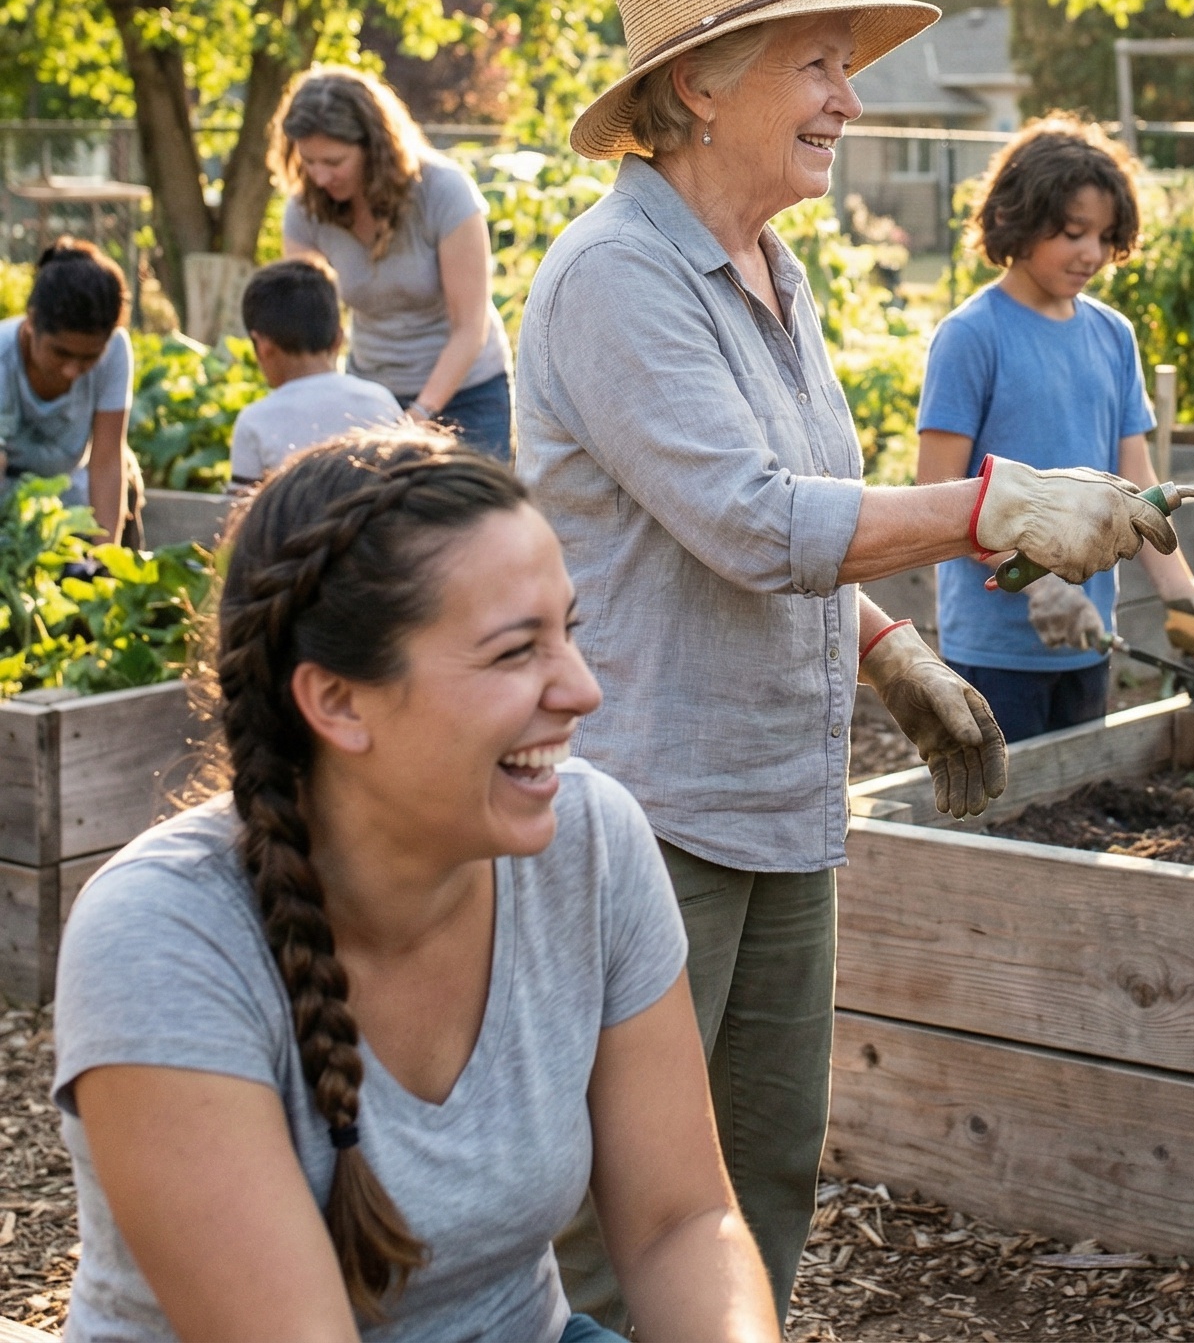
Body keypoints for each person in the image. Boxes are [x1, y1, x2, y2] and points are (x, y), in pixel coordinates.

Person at [519, 0, 1177, 1326]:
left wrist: (889, 648)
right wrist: (996, 506)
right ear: (700, 85)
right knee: (618, 1206)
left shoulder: (773, 272)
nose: (848, 98)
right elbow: (752, 521)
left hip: (776, 794)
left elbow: (798, 504)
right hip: (652, 807)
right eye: (816, 64)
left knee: (758, 1174)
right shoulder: (616, 277)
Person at [53, 428, 779, 1343]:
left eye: (569, 631)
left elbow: (682, 1222)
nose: (583, 689)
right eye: (515, 652)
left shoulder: (591, 840)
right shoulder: (161, 940)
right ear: (338, 702)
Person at [916, 116, 1194, 740]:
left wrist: (1182, 589)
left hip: (1089, 632)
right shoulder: (971, 336)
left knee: (1080, 786)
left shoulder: (1113, 336)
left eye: (1105, 236)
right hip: (993, 648)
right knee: (1004, 797)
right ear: (1017, 219)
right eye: (1072, 232)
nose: (1092, 253)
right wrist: (1036, 586)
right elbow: (935, 496)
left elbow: (1138, 488)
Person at [274, 65, 513, 460]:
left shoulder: (444, 191)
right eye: (309, 161)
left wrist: (417, 417)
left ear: (374, 148)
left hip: (468, 393)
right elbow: (310, 324)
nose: (320, 176)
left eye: (334, 161)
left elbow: (470, 327)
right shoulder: (304, 210)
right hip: (372, 394)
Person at [0, 238, 139, 540]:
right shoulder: (3, 356)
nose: (72, 371)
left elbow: (107, 459)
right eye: (60, 353)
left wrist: (105, 557)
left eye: (89, 357)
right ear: (31, 321)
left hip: (74, 497)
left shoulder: (115, 350)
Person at [228, 258, 404, 488]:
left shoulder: (254, 421)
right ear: (339, 338)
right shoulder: (379, 402)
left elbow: (240, 507)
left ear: (262, 345)